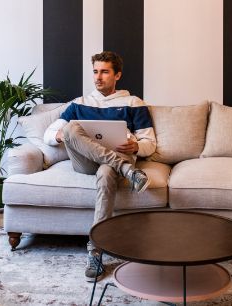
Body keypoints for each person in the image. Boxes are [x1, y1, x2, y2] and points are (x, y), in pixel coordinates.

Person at [43, 51, 157, 282]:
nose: (98, 77)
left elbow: (150, 144)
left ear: (118, 75)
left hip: (117, 159)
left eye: (105, 71)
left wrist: (136, 146)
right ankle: (128, 172)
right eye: (95, 71)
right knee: (70, 128)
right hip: (87, 162)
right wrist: (63, 137)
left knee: (106, 171)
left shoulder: (134, 103)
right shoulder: (78, 104)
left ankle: (95, 250)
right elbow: (48, 134)